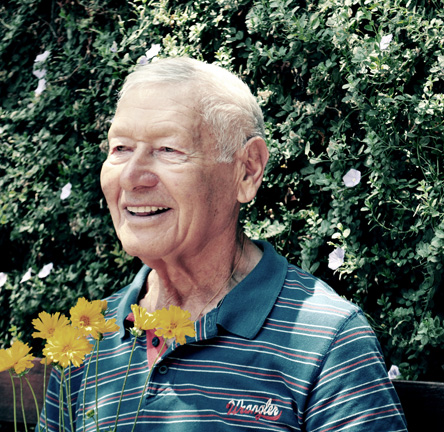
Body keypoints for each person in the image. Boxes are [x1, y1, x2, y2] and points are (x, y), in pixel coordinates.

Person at [40, 57, 408, 431]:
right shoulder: (87, 335)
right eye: (120, 148)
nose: (131, 177)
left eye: (168, 149)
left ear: (247, 170)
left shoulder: (325, 339)